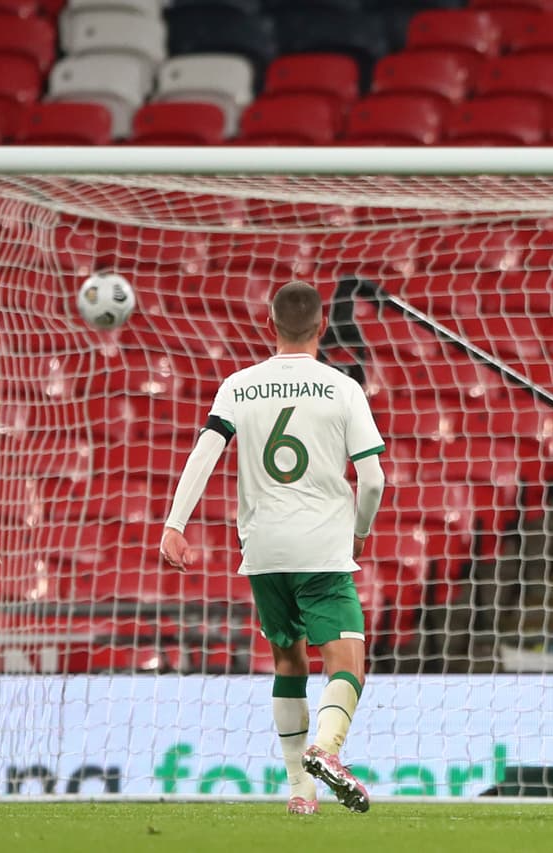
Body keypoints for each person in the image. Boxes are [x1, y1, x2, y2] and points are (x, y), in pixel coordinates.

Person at [159, 281, 386, 815]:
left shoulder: (238, 385)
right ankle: (326, 751)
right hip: (322, 546)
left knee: (288, 662)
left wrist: (175, 524)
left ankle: (299, 794)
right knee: (347, 660)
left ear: (270, 326)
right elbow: (372, 479)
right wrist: (361, 529)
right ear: (322, 326)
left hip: (262, 547)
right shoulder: (342, 387)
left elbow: (205, 452)